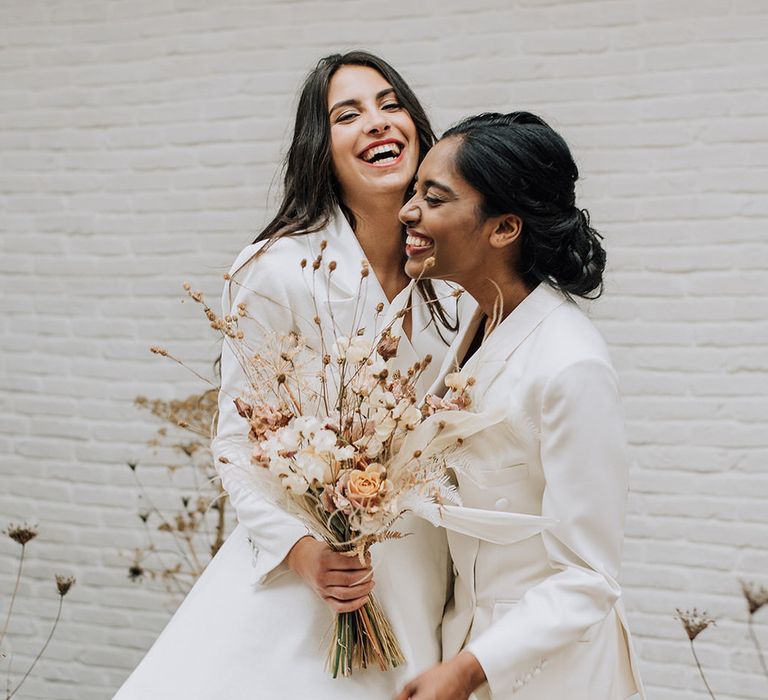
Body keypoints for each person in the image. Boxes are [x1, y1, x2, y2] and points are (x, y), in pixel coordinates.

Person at [114, 52, 463, 699]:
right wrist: (308, 555)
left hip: (422, 565)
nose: (379, 123)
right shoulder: (276, 269)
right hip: (312, 579)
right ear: (319, 147)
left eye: (392, 105)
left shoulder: (452, 269)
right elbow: (237, 444)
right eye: (348, 114)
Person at [394, 112, 645, 699]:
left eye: (434, 198)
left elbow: (588, 576)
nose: (408, 211)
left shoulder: (570, 364)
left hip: (550, 676)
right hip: (457, 647)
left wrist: (466, 669)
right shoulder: (471, 325)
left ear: (504, 228)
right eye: (414, 193)